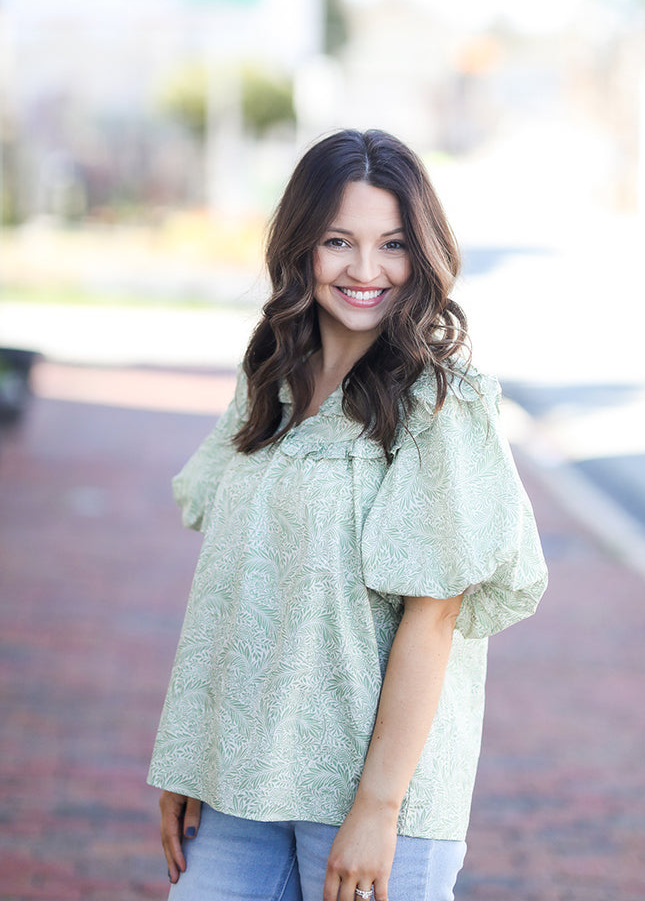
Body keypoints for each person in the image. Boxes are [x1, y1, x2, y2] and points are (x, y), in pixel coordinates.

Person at [148, 128, 548, 901]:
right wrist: (191, 758)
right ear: (301, 246)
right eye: (338, 241)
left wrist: (376, 809)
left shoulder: (440, 400)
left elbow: (432, 618)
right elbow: (231, 595)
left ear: (422, 252)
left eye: (393, 244)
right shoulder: (271, 378)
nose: (366, 271)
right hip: (241, 780)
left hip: (377, 796)